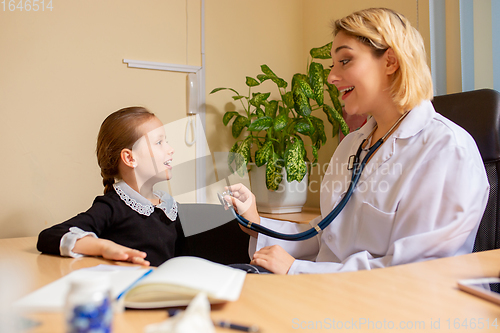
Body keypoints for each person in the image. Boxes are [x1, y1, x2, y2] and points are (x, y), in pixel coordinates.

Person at [226, 8, 489, 274]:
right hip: (328, 294)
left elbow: (414, 270)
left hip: (388, 309)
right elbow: (327, 234)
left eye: (345, 60)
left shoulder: (447, 150)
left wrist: (297, 270)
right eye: (333, 65)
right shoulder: (353, 145)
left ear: (390, 61)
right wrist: (256, 222)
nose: (331, 77)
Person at [37, 107, 184, 267]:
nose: (171, 149)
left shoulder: (169, 208)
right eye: (159, 142)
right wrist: (104, 247)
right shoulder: (112, 207)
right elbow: (49, 237)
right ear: (130, 157)